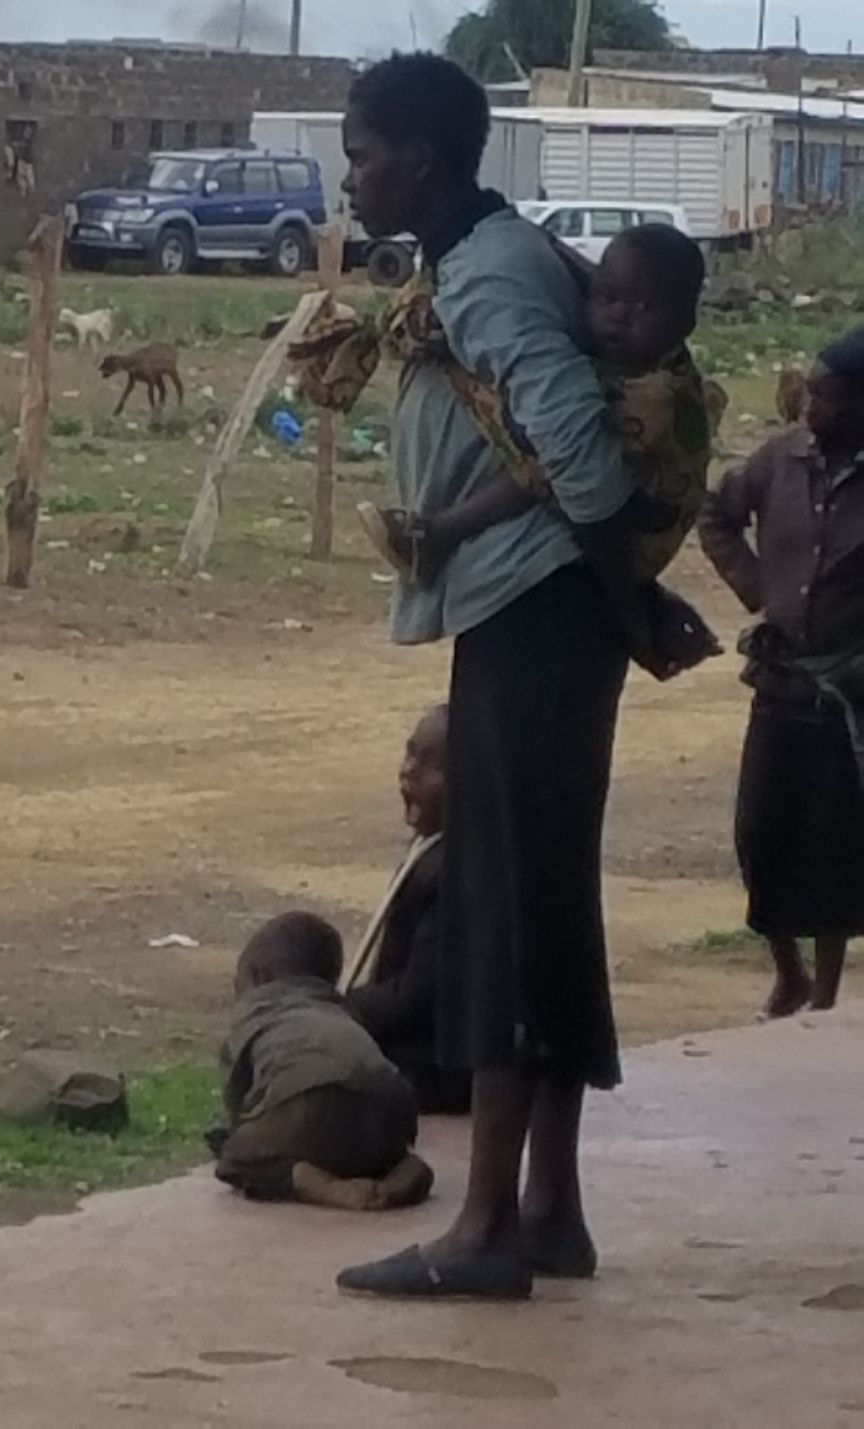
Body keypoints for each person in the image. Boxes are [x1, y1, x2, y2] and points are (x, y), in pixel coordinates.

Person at [333, 53, 703, 1303]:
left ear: (421, 159)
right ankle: (548, 1207)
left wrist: (622, 594)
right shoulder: (495, 253)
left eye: (363, 153)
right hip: (547, 611)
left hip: (534, 612)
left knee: (503, 907)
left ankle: (487, 1223)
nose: (351, 176)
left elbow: (578, 456)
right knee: (543, 896)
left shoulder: (490, 271)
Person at [357, 222, 712, 592]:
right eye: (607, 297)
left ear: (686, 322)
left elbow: (560, 441)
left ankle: (438, 536)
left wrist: (461, 359)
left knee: (554, 450)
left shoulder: (659, 393)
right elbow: (584, 270)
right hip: (613, 516)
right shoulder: (635, 352)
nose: (619, 315)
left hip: (636, 540)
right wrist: (545, 242)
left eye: (644, 307)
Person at [698, 329, 864, 1019]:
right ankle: (788, 970)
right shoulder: (779, 458)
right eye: (810, 393)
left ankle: (825, 991)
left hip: (847, 691)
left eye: (828, 397)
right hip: (779, 681)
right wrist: (759, 589)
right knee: (761, 832)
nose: (810, 407)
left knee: (835, 841)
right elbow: (716, 515)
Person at [213, 911, 434, 1211]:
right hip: (390, 1105)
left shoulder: (257, 1010)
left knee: (236, 1154)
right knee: (381, 1152)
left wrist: (244, 1129)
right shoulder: (343, 1011)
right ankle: (403, 1173)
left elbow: (237, 1092)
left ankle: (315, 1184)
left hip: (307, 1106)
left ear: (259, 977)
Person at [343, 705, 472, 1115]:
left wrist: (338, 1006)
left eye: (431, 765)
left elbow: (415, 999)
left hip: (437, 1068)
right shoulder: (431, 850)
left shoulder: (455, 871)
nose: (408, 771)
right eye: (410, 753)